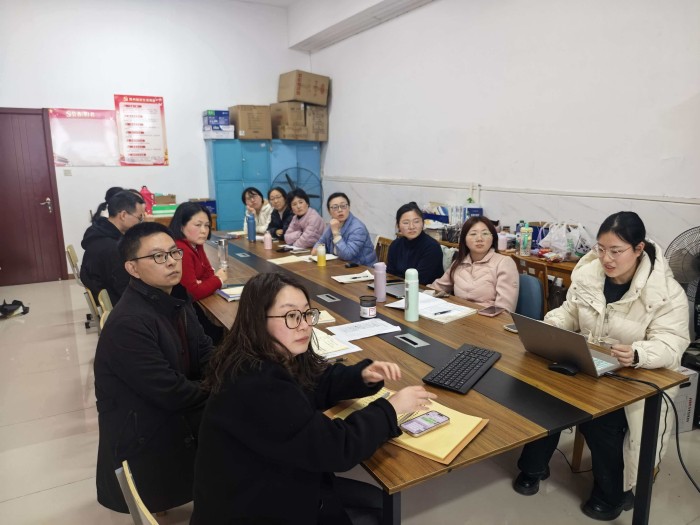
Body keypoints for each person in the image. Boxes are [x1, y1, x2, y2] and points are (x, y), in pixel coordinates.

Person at [191, 272, 436, 524]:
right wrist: (390, 409)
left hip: (273, 486)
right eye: (291, 316)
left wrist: (360, 376)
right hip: (257, 507)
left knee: (377, 502)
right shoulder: (258, 382)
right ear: (258, 320)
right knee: (384, 509)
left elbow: (312, 383)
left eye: (307, 314)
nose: (305, 325)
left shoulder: (261, 356)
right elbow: (335, 448)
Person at [512, 211, 689, 521]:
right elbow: (570, 312)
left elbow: (672, 343)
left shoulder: (665, 292)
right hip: (589, 364)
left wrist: (638, 353)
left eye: (616, 251)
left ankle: (611, 494)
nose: (606, 259)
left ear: (638, 249)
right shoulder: (589, 275)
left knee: (601, 420)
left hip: (633, 377)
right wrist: (552, 325)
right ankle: (533, 467)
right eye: (601, 248)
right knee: (544, 393)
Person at [94, 222, 212, 514]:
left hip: (166, 410)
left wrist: (227, 378)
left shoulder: (175, 299)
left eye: (174, 252)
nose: (171, 261)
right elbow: (171, 391)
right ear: (133, 268)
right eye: (158, 256)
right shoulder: (129, 323)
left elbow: (206, 352)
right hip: (144, 438)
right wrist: (222, 389)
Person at [429, 216, 519, 311]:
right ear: (464, 239)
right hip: (458, 315)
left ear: (493, 237)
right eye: (473, 234)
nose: (479, 238)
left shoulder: (504, 263)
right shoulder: (459, 262)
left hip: (486, 318)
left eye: (485, 233)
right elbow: (437, 288)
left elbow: (504, 310)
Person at [170, 202, 227, 343]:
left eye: (207, 225)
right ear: (181, 226)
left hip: (189, 307)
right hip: (180, 314)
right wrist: (218, 280)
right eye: (198, 225)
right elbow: (193, 293)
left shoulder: (195, 244)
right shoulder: (181, 249)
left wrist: (204, 282)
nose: (204, 230)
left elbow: (208, 273)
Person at [80, 190, 145, 304]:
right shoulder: (112, 248)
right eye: (139, 218)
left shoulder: (98, 232)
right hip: (119, 303)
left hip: (109, 295)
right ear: (123, 215)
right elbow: (124, 288)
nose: (141, 222)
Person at [312, 192, 377, 266]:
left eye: (343, 206)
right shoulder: (333, 224)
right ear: (329, 211)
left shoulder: (358, 228)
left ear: (349, 207)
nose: (340, 210)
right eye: (335, 207)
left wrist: (336, 233)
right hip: (340, 266)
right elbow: (319, 245)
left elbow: (347, 255)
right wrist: (317, 249)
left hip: (363, 269)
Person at [386, 202, 444, 285]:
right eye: (406, 223)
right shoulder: (395, 245)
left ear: (423, 223)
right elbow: (390, 274)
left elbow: (420, 280)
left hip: (423, 290)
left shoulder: (432, 247)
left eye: (416, 222)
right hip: (397, 287)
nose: (411, 227)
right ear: (398, 226)